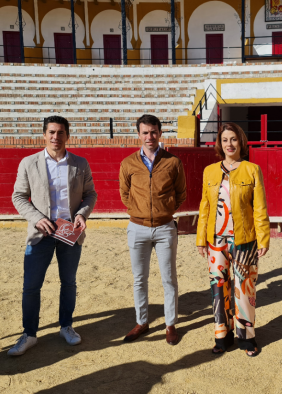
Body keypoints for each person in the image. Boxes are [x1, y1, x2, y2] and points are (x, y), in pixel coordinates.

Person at [9, 115, 98, 356]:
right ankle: (29, 334)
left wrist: (82, 213)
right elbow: (18, 196)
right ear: (44, 134)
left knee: (68, 282)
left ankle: (66, 326)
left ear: (67, 135)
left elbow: (90, 194)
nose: (55, 137)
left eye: (60, 132)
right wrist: (37, 218)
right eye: (51, 132)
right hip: (41, 233)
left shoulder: (80, 163)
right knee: (31, 286)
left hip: (70, 231)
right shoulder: (29, 163)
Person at [196, 122, 270, 357]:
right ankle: (222, 335)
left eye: (234, 139)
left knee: (244, 288)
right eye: (225, 140)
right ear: (220, 143)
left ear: (241, 143)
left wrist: (264, 238)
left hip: (244, 240)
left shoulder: (252, 169)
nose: (229, 144)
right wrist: (200, 239)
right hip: (215, 239)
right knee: (218, 288)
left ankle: (247, 338)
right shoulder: (209, 171)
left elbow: (259, 208)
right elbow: (205, 207)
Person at [119, 114, 187, 345]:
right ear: (139, 134)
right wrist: (138, 211)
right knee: (140, 278)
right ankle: (142, 321)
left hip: (165, 227)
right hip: (137, 228)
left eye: (153, 132)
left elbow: (181, 194)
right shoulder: (128, 163)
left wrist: (165, 210)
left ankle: (170, 324)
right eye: (145, 132)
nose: (150, 136)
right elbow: (124, 194)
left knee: (169, 278)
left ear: (160, 133)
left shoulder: (173, 162)